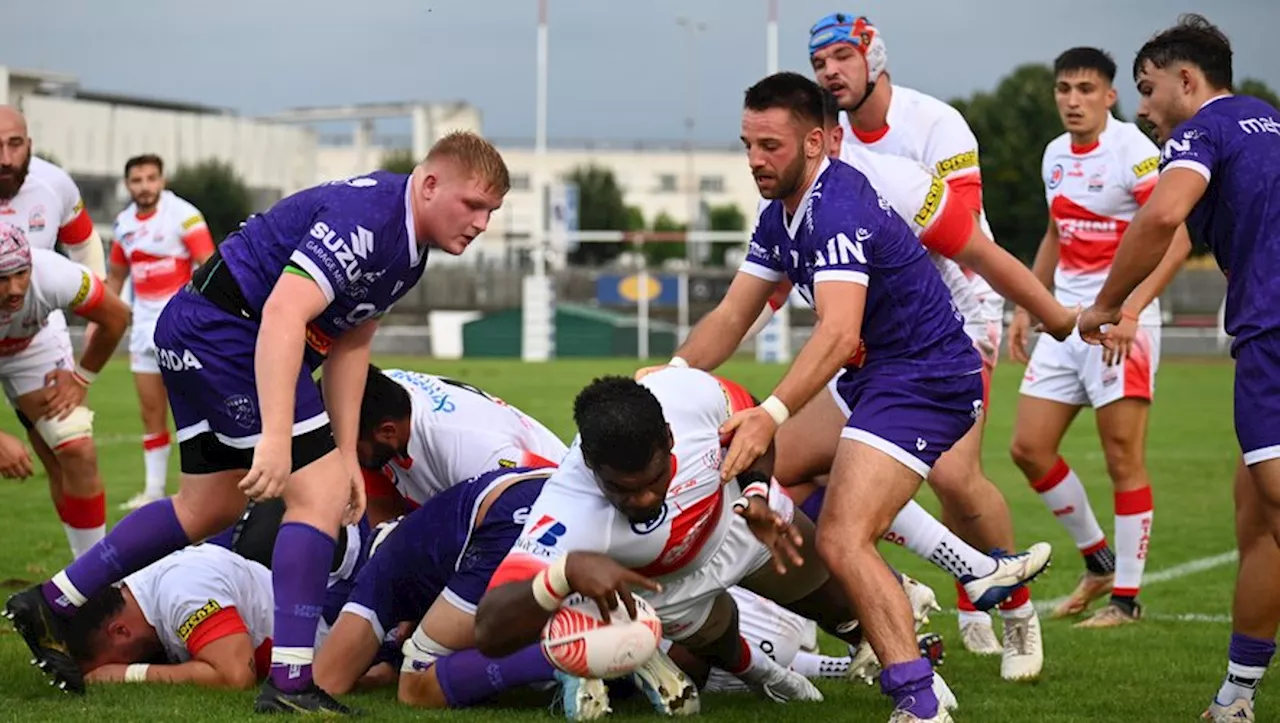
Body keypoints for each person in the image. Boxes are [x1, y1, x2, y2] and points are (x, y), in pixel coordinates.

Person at [4, 131, 510, 715]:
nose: (481, 223)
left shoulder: (408, 243)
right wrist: (274, 437)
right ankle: (292, 682)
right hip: (232, 333)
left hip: (205, 328)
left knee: (206, 510)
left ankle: (55, 600)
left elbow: (351, 342)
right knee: (315, 498)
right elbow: (283, 313)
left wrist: (346, 451)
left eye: (491, 212)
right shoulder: (371, 220)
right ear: (429, 184)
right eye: (473, 205)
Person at [658, 72, 1062, 722]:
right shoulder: (781, 215)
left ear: (816, 141)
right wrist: (670, 374)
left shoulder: (838, 206)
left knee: (844, 538)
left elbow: (841, 332)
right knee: (781, 470)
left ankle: (919, 700)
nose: (756, 160)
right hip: (875, 376)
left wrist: (771, 411)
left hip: (923, 377)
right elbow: (733, 317)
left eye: (771, 145)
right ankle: (966, 571)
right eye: (747, 144)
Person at [475, 370, 966, 720]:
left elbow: (755, 422)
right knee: (723, 642)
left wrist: (755, 489)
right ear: (588, 463)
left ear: (669, 438)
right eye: (622, 489)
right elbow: (491, 630)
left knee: (843, 607)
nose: (644, 498)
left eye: (653, 478)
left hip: (742, 527)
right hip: (666, 587)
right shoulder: (567, 506)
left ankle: (912, 678)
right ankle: (767, 677)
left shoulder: (684, 396)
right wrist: (564, 574)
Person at [805, 13, 1054, 661]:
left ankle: (1017, 607)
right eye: (819, 62)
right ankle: (936, 583)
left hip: (958, 316)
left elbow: (964, 231)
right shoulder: (827, 147)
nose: (830, 71)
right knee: (823, 466)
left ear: (874, 58)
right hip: (881, 328)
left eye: (841, 55)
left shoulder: (933, 123)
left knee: (953, 475)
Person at [1076, 14, 1280, 723]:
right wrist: (1130, 305)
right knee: (1256, 516)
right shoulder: (1267, 122)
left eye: (1147, 88)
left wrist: (1104, 304)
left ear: (1187, 81)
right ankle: (1236, 695)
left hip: (1274, 333)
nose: (1141, 108)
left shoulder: (1203, 130)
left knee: (1276, 504)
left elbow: (1161, 217)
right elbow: (1184, 229)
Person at [1008, 47, 1191, 629]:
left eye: (1086, 89)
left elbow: (1179, 238)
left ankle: (1126, 601)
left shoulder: (1135, 152)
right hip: (1065, 322)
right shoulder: (1054, 155)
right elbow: (1056, 232)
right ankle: (1099, 560)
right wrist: (1026, 303)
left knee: (1122, 459)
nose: (1073, 100)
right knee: (1028, 449)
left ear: (1110, 96)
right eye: (1064, 89)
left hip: (1122, 324)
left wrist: (1132, 310)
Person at [0, 105, 112, 557]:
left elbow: (85, 245)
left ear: (30, 142)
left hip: (32, 337)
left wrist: (91, 323)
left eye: (15, 143)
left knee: (72, 452)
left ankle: (90, 588)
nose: (5, 157)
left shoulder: (55, 184)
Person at [0, 223, 129, 559]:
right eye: (1, 279)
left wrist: (80, 378)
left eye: (21, 273)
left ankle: (91, 581)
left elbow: (116, 317)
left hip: (27, 347)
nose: (14, 289)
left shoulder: (53, 273)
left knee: (77, 449)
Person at [108, 154, 216, 510]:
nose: (145, 186)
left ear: (162, 180)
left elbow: (212, 267)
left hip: (184, 330)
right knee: (150, 411)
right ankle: (153, 492)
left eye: (151, 178)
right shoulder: (123, 223)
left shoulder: (184, 214)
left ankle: (218, 490)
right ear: (128, 185)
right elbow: (116, 280)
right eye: (137, 180)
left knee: (205, 408)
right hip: (142, 331)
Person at [355, 365, 567, 524]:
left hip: (539, 502)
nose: (344, 446)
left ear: (388, 431)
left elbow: (552, 483)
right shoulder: (378, 394)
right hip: (454, 489)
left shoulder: (463, 446)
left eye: (351, 441)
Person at [63, 545, 280, 690]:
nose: (104, 674)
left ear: (120, 631)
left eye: (105, 666)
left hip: (309, 648)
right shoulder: (139, 591)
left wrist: (129, 674)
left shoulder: (184, 592)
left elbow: (236, 677)